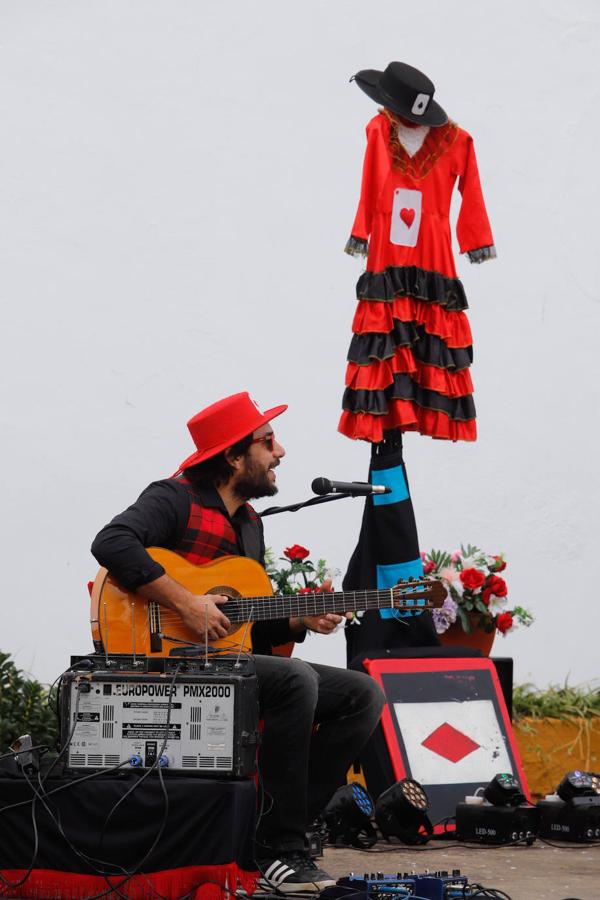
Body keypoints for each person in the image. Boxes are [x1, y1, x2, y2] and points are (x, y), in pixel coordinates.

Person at [91, 391, 385, 893]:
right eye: (268, 442)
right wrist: (185, 602)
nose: (281, 453)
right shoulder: (173, 498)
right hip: (162, 663)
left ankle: (280, 828)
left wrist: (299, 623)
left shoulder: (249, 524)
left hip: (224, 665)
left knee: (363, 693)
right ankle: (279, 850)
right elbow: (111, 542)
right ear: (232, 456)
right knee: (293, 680)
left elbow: (246, 625)